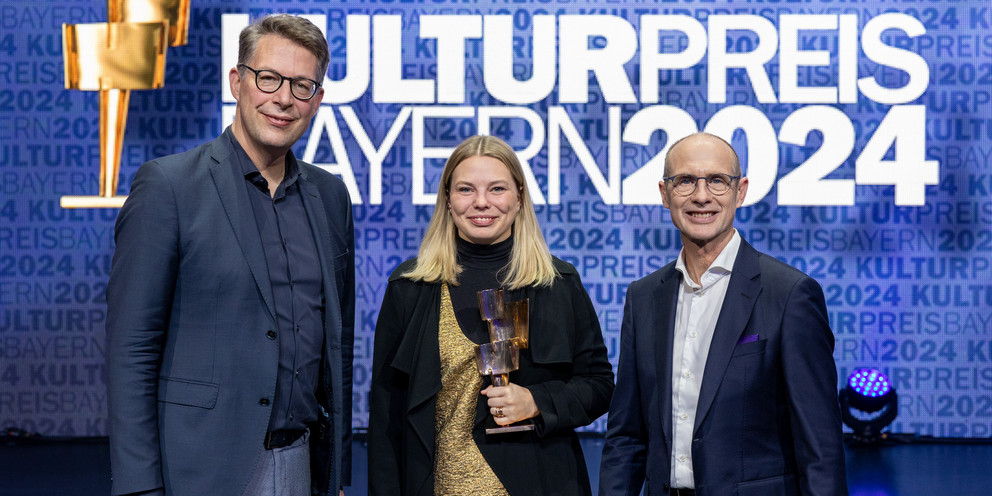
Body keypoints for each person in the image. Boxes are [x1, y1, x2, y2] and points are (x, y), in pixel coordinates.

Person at [106, 14, 354, 496]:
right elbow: (131, 348)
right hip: (199, 468)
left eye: (302, 86)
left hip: (303, 464)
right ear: (238, 82)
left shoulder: (331, 196)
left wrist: (336, 474)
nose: (284, 98)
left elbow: (336, 350)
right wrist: (139, 486)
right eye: (269, 79)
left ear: (318, 100)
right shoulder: (169, 186)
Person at [599, 133, 848, 496]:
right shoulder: (644, 296)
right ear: (664, 194)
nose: (701, 196)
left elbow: (819, 444)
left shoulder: (789, 294)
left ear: (740, 191)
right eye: (685, 181)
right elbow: (627, 435)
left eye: (717, 180)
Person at [368, 135, 614, 496]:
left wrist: (537, 402)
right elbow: (386, 411)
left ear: (519, 198)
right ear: (448, 201)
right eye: (466, 189)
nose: (481, 202)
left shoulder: (557, 283)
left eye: (496, 189)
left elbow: (599, 385)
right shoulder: (410, 286)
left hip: (539, 482)